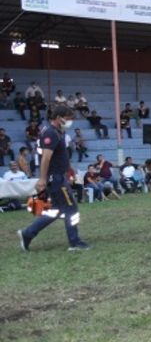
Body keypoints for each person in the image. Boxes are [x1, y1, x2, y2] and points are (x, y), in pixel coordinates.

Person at [17, 106, 90, 252]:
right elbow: (46, 158)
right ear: (58, 117)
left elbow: (58, 155)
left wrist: (69, 168)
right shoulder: (51, 133)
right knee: (71, 208)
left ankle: (27, 233)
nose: (70, 122)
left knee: (56, 210)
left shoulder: (56, 132)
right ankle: (74, 242)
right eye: (68, 118)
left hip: (57, 176)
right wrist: (42, 179)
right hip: (55, 178)